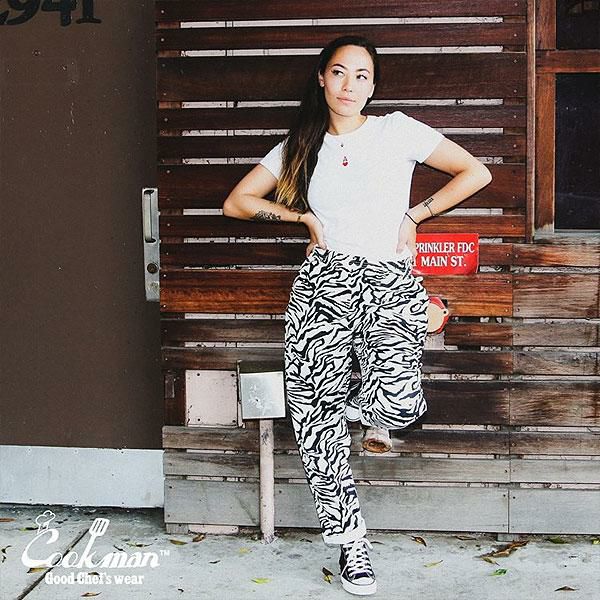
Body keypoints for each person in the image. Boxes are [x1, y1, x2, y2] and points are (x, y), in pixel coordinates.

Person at [223, 35, 492, 597]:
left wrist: (415, 215)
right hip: (324, 281)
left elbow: (475, 172)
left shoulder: (397, 130)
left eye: (362, 75)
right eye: (340, 73)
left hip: (390, 279)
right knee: (314, 424)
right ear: (322, 78)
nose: (350, 85)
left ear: (373, 85)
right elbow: (238, 202)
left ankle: (354, 405)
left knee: (399, 401)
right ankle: (351, 547)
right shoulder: (300, 144)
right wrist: (303, 219)